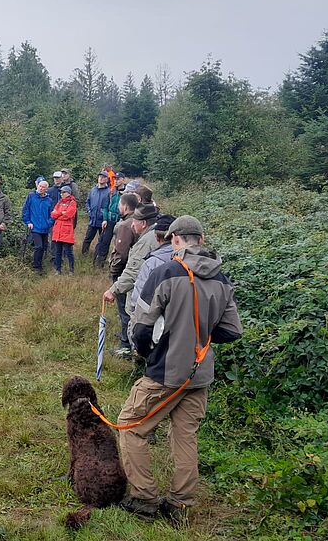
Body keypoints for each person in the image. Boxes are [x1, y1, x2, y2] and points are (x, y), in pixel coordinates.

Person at [114, 215, 243, 524]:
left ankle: (144, 499)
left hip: (165, 372)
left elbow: (141, 327)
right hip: (200, 373)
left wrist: (147, 354)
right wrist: (199, 336)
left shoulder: (166, 272)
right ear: (201, 238)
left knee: (130, 426)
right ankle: (180, 505)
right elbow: (232, 330)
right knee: (186, 436)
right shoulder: (221, 278)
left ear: (174, 240)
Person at [105, 203, 161, 321]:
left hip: (144, 301)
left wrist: (113, 290)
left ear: (143, 223)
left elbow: (133, 272)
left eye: (134, 221)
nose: (132, 224)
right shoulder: (157, 235)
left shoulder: (146, 242)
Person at [108, 193, 141, 355]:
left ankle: (125, 345)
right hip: (135, 271)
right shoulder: (139, 221)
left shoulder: (126, 225)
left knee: (124, 308)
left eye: (120, 205)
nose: (118, 207)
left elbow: (121, 253)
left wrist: (113, 271)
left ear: (125, 206)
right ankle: (125, 334)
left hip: (124, 272)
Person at [22, 179, 54, 274]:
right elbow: (25, 210)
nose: (41, 188)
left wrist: (49, 223)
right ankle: (36, 267)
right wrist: (28, 222)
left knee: (44, 247)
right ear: (37, 186)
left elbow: (52, 214)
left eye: (43, 187)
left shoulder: (49, 200)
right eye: (40, 186)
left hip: (45, 228)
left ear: (46, 189)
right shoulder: (31, 196)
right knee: (38, 246)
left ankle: (40, 265)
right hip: (34, 227)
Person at [94, 178, 125, 266]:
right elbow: (105, 207)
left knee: (120, 243)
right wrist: (105, 219)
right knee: (104, 241)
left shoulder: (127, 192)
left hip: (121, 221)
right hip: (110, 220)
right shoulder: (111, 191)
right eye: (115, 179)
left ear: (123, 180)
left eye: (118, 179)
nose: (116, 181)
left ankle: (116, 264)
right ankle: (99, 263)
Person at [82, 171, 111, 257]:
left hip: (103, 221)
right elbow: (87, 201)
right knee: (87, 238)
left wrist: (105, 216)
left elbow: (110, 205)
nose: (101, 178)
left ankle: (98, 256)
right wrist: (89, 211)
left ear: (107, 179)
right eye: (100, 177)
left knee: (101, 240)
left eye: (103, 177)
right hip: (93, 219)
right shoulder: (93, 190)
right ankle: (84, 255)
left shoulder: (109, 191)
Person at [50, 185, 77, 274]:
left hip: (66, 231)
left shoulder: (72, 202)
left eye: (63, 192)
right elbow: (53, 215)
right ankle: (58, 270)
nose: (61, 194)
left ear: (68, 193)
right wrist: (61, 213)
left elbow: (68, 215)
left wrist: (59, 215)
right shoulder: (59, 202)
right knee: (58, 252)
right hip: (57, 230)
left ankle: (71, 270)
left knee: (68, 252)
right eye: (61, 192)